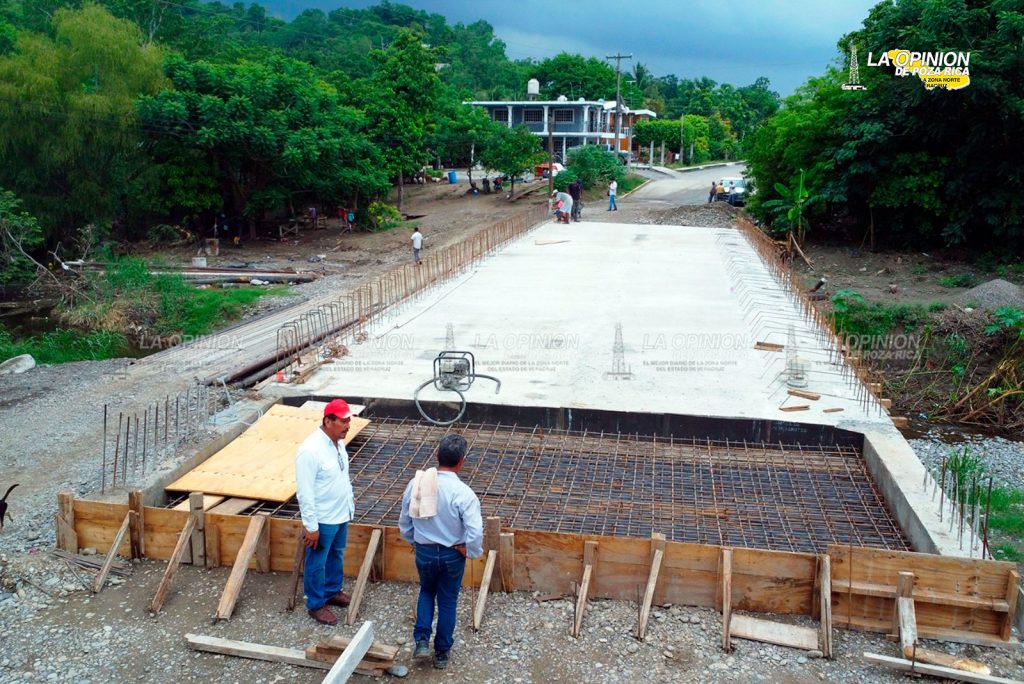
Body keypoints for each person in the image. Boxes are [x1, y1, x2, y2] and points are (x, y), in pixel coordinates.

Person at [399, 435, 483, 671]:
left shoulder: (416, 484)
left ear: (437, 456)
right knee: (447, 600)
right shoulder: (463, 493)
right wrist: (471, 550)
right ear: (461, 461)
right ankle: (442, 653)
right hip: (452, 554)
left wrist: (413, 540)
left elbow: (405, 521)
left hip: (424, 551)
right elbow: (475, 531)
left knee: (426, 591)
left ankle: (422, 640)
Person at [295, 399, 356, 626]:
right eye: (342, 421)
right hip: (323, 519)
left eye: (348, 420)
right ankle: (316, 604)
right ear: (328, 421)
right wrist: (311, 527)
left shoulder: (338, 443)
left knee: (336, 555)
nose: (347, 425)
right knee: (317, 562)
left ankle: (332, 591)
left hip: (340, 514)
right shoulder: (310, 451)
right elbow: (305, 492)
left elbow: (342, 477)